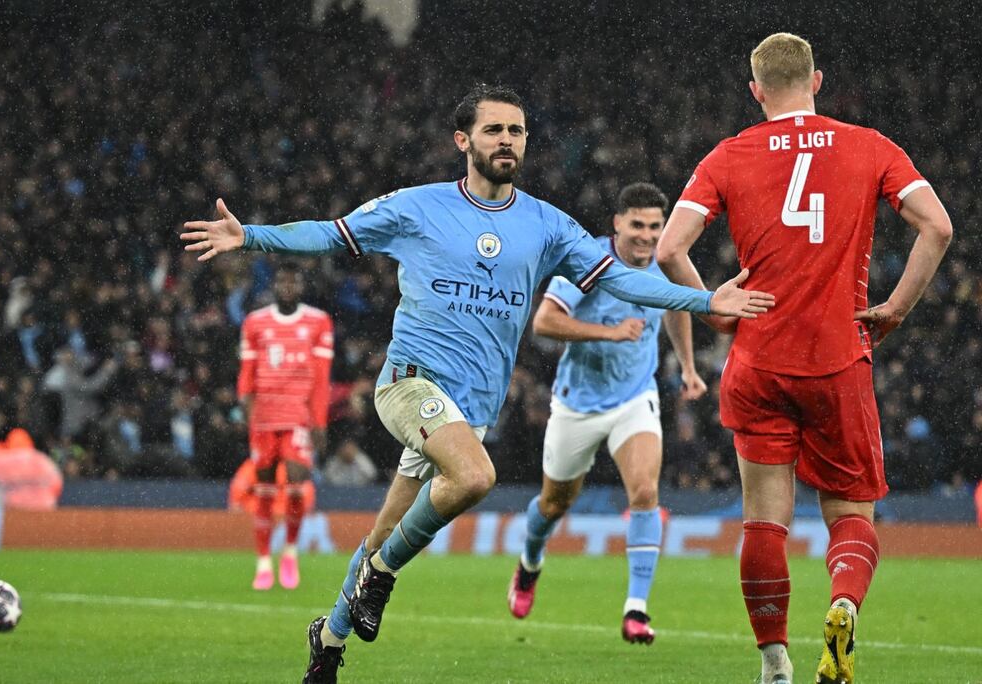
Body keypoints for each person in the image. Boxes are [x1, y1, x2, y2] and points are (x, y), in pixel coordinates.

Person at [182, 84, 774, 683]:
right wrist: (250, 235)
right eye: (494, 130)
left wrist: (703, 300)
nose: (507, 141)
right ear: (463, 140)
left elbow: (623, 281)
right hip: (410, 384)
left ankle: (328, 643)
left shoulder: (547, 225)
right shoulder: (418, 207)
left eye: (516, 131)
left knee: (387, 530)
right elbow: (333, 234)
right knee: (474, 476)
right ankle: (380, 576)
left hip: (470, 410)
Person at [655, 33, 953, 684]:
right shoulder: (869, 146)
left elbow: (670, 247)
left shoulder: (728, 157)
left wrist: (711, 303)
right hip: (839, 354)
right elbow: (938, 226)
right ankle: (843, 603)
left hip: (758, 359)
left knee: (764, 516)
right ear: (818, 82)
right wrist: (897, 306)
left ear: (756, 91)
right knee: (849, 512)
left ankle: (773, 662)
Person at [507, 182, 708, 645]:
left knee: (645, 493)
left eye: (655, 226)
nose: (647, 235)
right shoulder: (586, 261)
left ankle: (636, 609)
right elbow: (545, 322)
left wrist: (689, 366)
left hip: (635, 398)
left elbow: (677, 307)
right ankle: (530, 562)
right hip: (577, 404)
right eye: (637, 224)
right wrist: (610, 332)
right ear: (617, 223)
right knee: (555, 503)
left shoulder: (666, 262)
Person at [236, 260, 334, 590]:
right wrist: (248, 414)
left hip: (299, 417)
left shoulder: (319, 322)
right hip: (264, 416)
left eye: (293, 282)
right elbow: (247, 376)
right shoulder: (255, 323)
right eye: (282, 282)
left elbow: (321, 379)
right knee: (263, 488)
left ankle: (289, 552)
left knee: (295, 485)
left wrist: (319, 422)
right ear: (274, 286)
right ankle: (264, 562)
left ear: (301, 287)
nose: (287, 288)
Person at [0, 428, 64, 511]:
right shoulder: (41, 459)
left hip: (14, 508)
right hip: (42, 509)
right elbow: (56, 482)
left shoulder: (2, 460)